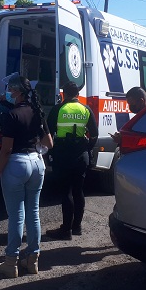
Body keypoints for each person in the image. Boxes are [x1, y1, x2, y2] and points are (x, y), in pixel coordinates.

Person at [0, 74, 53, 278]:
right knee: (33, 212)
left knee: (16, 216)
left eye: (9, 88)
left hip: (17, 164)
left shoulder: (11, 114)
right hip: (37, 163)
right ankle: (32, 259)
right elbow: (49, 143)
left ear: (16, 91)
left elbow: (6, 150)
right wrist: (36, 150)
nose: (7, 92)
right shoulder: (37, 111)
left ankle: (11, 262)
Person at [45, 81, 98, 241]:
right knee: (78, 190)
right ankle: (77, 227)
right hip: (81, 155)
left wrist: (50, 152)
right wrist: (86, 148)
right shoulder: (86, 109)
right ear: (77, 94)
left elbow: (47, 133)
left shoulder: (58, 109)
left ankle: (66, 230)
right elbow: (94, 135)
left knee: (66, 191)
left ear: (64, 94)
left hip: (63, 154)